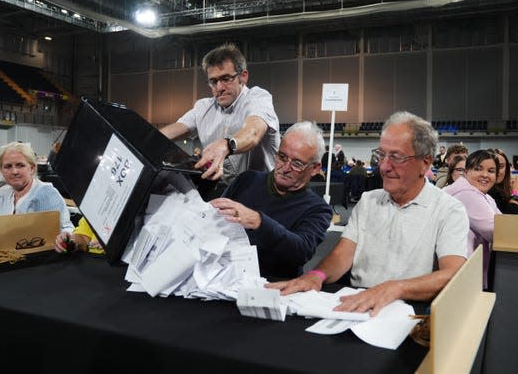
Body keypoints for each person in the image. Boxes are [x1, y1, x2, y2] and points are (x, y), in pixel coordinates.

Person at [267, 112, 468, 316]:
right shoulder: (368, 200)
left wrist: (395, 288)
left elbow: (452, 274)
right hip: (356, 303)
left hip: (408, 310)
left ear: (425, 163)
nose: (384, 166)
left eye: (396, 157)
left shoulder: (449, 210)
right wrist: (317, 275)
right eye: (382, 155)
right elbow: (342, 254)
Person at [209, 121, 332, 278]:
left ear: (315, 168)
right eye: (282, 157)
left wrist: (258, 221)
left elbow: (301, 251)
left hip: (273, 286)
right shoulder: (247, 180)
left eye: (297, 163)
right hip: (222, 275)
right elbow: (214, 225)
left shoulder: (318, 209)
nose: (285, 168)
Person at [160, 43, 280, 189]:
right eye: (213, 81)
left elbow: (253, 132)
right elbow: (172, 131)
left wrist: (227, 145)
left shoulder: (257, 97)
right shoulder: (203, 107)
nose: (219, 88)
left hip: (264, 191)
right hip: (228, 192)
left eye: (226, 79)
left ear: (243, 76)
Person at [0, 142, 73, 234]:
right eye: (8, 166)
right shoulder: (5, 195)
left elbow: (58, 232)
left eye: (20, 165)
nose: (14, 171)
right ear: (1, 170)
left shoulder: (45, 193)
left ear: (32, 168)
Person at [444, 150, 501, 289]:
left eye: (491, 171)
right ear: (466, 171)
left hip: (469, 270)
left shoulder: (484, 196)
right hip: (461, 273)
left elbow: (503, 222)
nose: (485, 175)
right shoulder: (466, 194)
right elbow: (495, 230)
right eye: (478, 169)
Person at [488, 148, 518, 215]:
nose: (497, 171)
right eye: (492, 167)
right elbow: (509, 220)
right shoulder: (487, 192)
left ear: (506, 169)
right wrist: (516, 194)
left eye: (501, 166)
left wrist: (514, 193)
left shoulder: (502, 189)